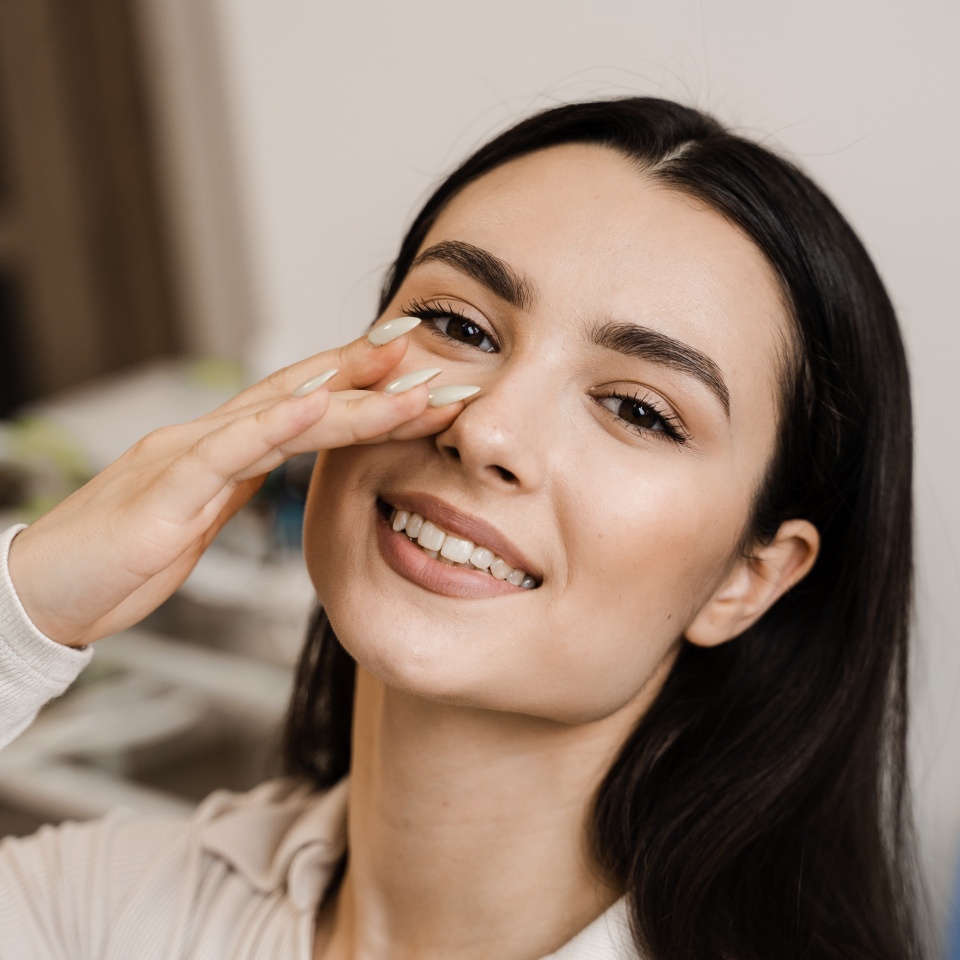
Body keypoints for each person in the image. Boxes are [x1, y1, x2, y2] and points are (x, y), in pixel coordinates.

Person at [0, 97, 925, 959]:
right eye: (457, 324)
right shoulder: (95, 911)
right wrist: (31, 598)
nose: (484, 428)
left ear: (749, 578)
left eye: (639, 410)